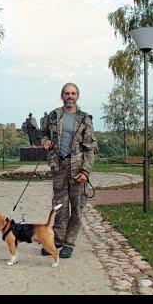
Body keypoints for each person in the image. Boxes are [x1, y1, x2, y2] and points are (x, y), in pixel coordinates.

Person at [40, 82, 97, 259]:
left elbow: (90, 148)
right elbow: (43, 134)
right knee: (60, 206)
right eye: (67, 93)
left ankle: (69, 243)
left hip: (78, 170)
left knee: (77, 209)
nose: (70, 96)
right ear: (62, 96)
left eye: (73, 93)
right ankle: (57, 240)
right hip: (59, 167)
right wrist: (44, 141)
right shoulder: (53, 115)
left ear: (77, 96)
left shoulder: (85, 119)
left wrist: (86, 172)